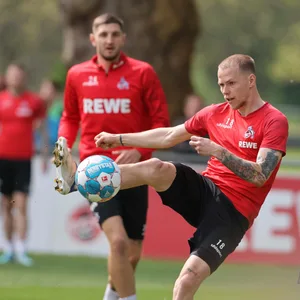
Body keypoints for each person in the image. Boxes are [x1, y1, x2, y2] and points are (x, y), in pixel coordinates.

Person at [93, 54, 289, 300]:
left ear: (251, 80)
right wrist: (120, 138)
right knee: (156, 167)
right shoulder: (214, 113)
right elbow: (168, 136)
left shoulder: (274, 121)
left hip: (233, 214)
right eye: (221, 85)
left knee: (187, 280)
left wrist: (218, 151)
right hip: (205, 191)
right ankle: (88, 180)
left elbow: (260, 175)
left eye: (231, 83)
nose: (225, 91)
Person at [52, 13, 169, 300]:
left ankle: (110, 295)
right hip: (94, 170)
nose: (109, 40)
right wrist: (63, 143)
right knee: (117, 244)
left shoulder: (143, 73)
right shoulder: (77, 75)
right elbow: (69, 116)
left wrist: (139, 150)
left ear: (123, 39)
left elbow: (162, 123)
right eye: (103, 34)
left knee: (131, 255)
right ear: (93, 39)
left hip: (135, 170)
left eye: (115, 34)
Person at [0, 63, 49, 266]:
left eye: (19, 75)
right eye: (12, 75)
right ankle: (8, 248)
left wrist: (46, 155)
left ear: (24, 77)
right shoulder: (1, 99)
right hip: (3, 158)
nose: (16, 79)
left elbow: (42, 129)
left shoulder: (33, 102)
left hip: (23, 160)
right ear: (7, 77)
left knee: (21, 204)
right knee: (5, 204)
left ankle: (21, 248)